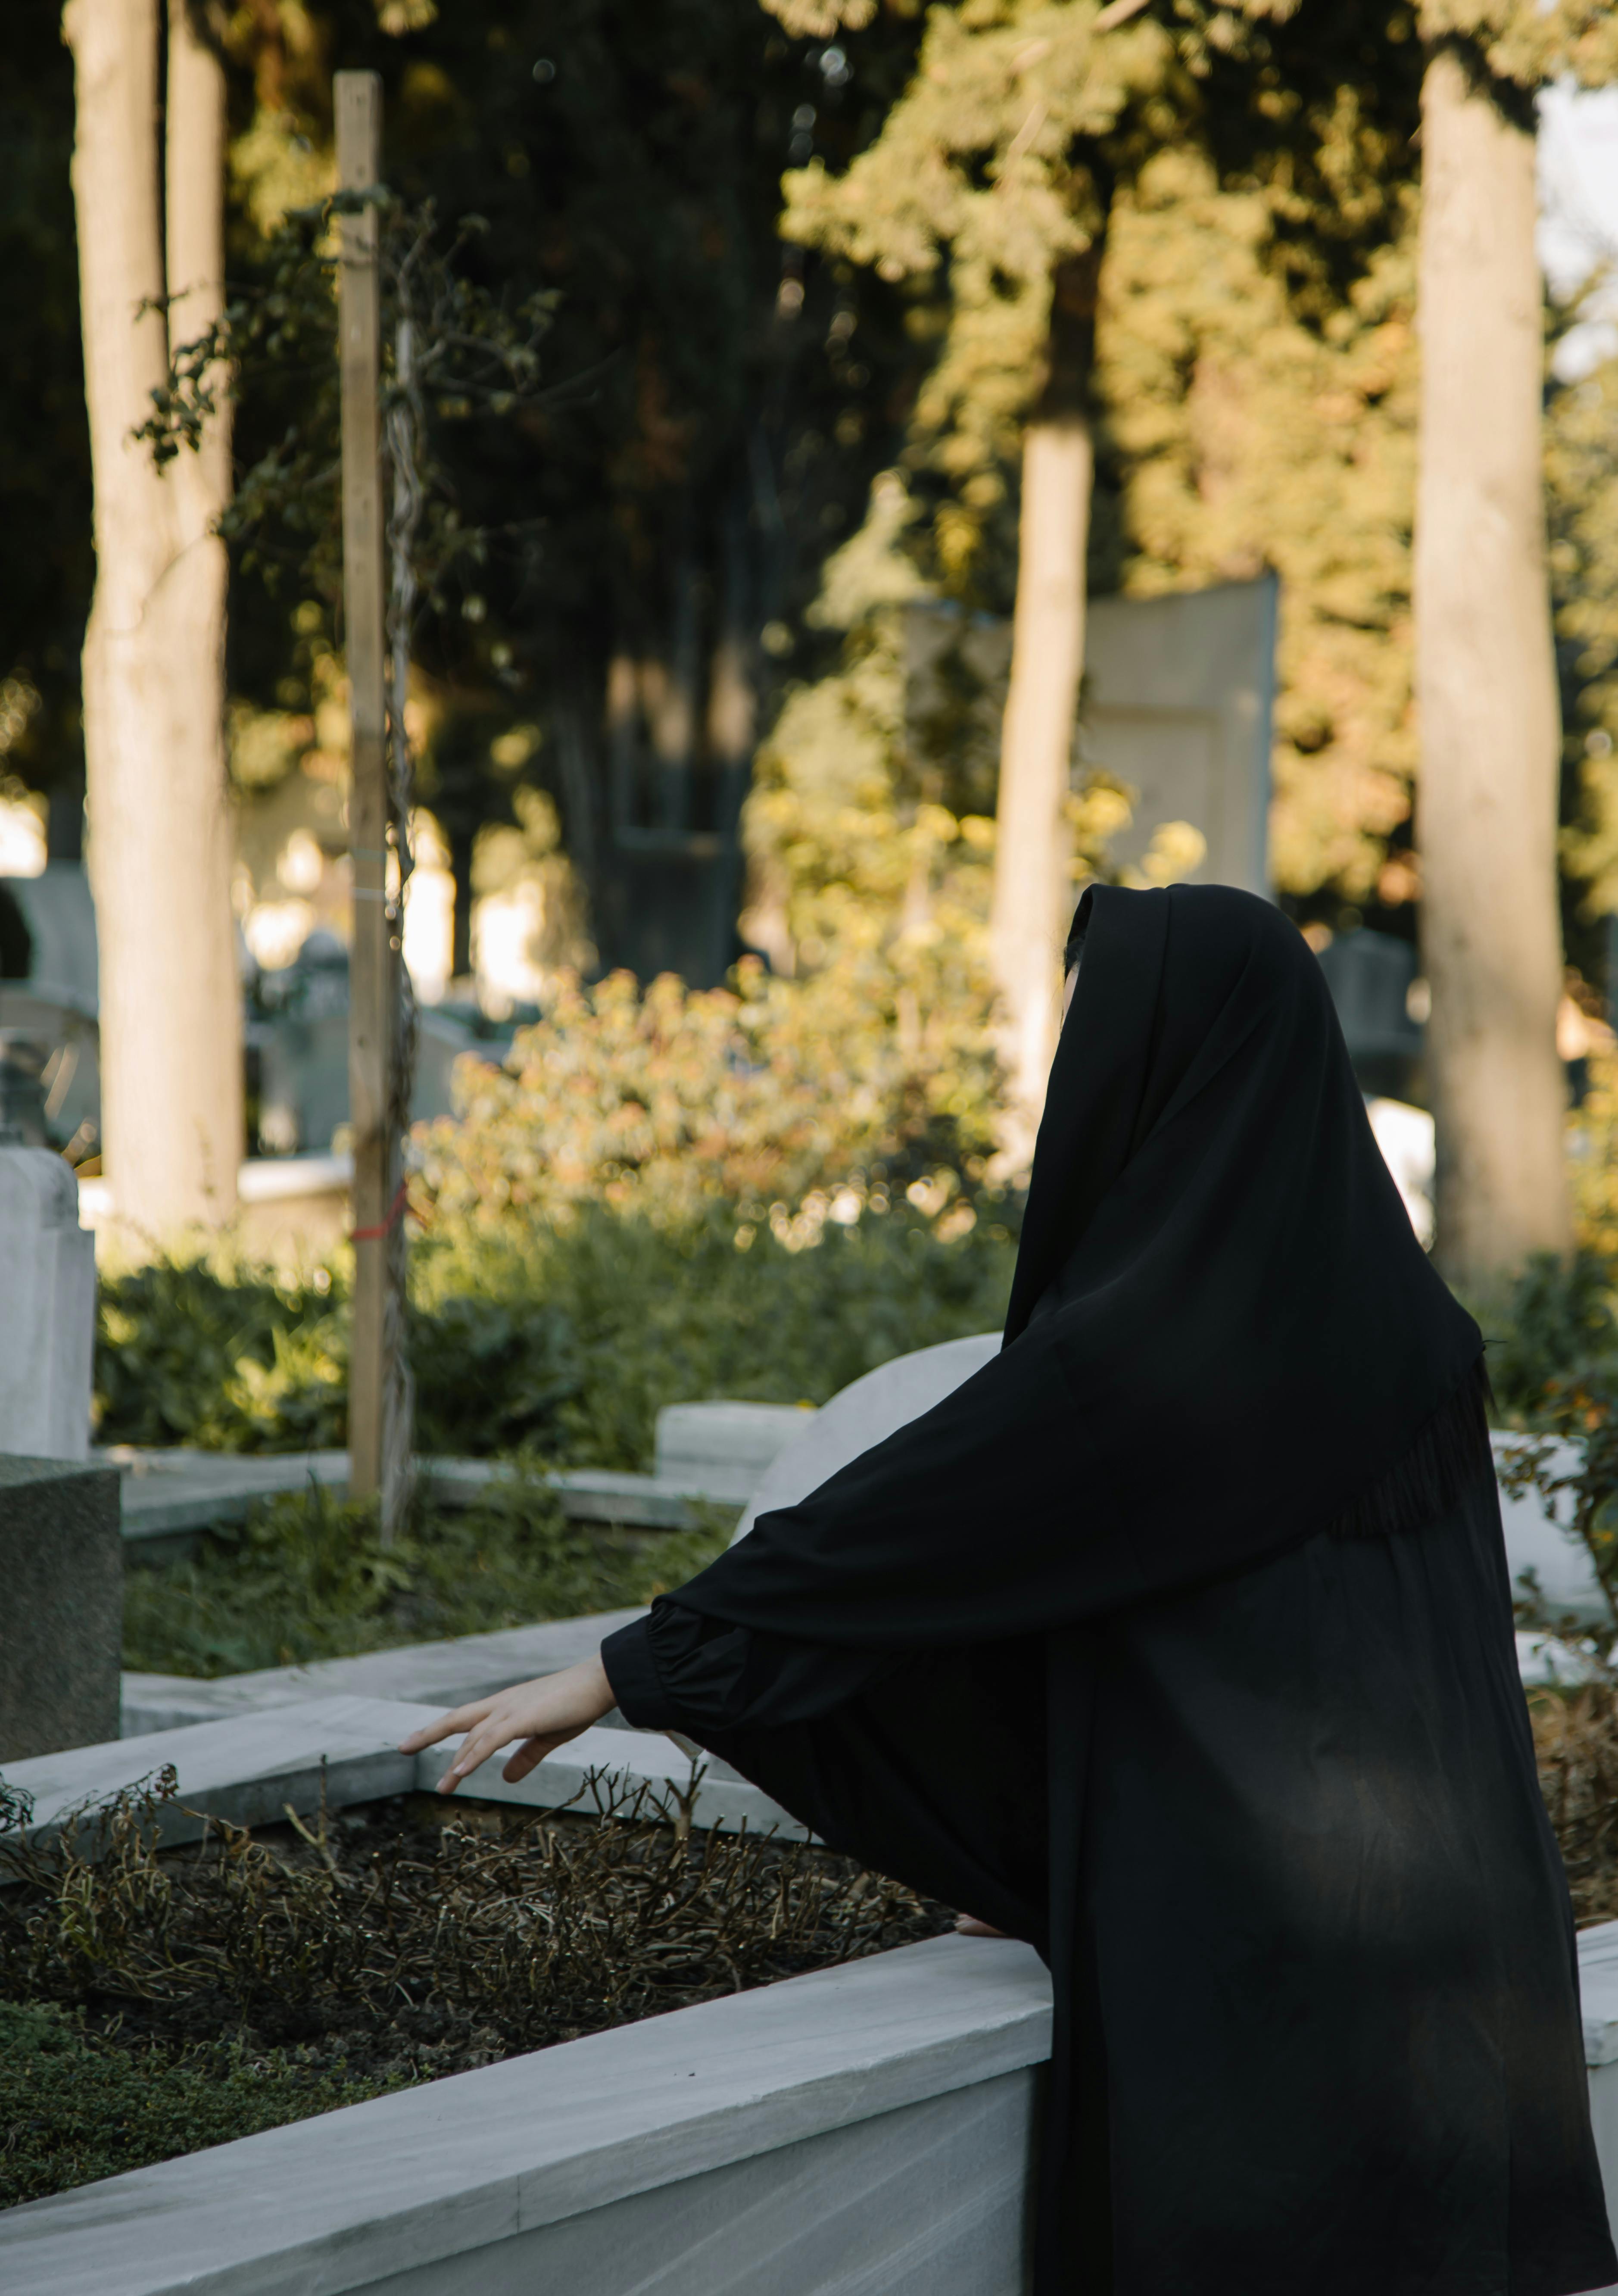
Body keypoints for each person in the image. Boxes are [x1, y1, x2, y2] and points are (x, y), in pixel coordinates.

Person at [403, 883, 1618, 2296]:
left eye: (1099, 1023)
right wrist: (1037, 1840)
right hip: (1457, 1952)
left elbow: (901, 1539)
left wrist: (632, 1667)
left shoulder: (1142, 1353)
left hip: (1238, 1960)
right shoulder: (1411, 1326)